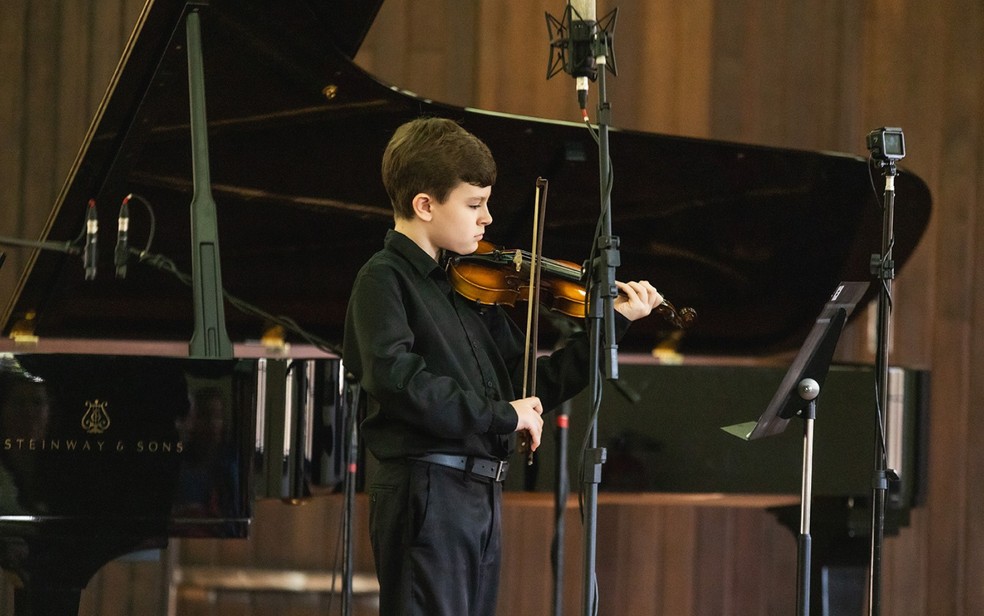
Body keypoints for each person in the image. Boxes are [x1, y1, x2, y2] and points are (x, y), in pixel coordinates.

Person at [342, 116, 663, 616]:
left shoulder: (469, 286)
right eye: (474, 205)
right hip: (427, 491)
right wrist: (501, 415)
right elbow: (399, 382)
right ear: (424, 205)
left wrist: (612, 327)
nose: (487, 218)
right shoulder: (383, 280)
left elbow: (530, 386)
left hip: (479, 493)